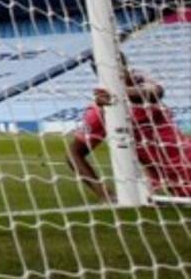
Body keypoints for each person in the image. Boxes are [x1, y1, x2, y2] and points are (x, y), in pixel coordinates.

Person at [65, 69, 191, 201]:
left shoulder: (142, 84)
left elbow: (156, 93)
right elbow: (74, 154)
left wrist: (118, 92)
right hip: (179, 176)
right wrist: (106, 195)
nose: (126, 71)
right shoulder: (101, 111)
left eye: (122, 64)